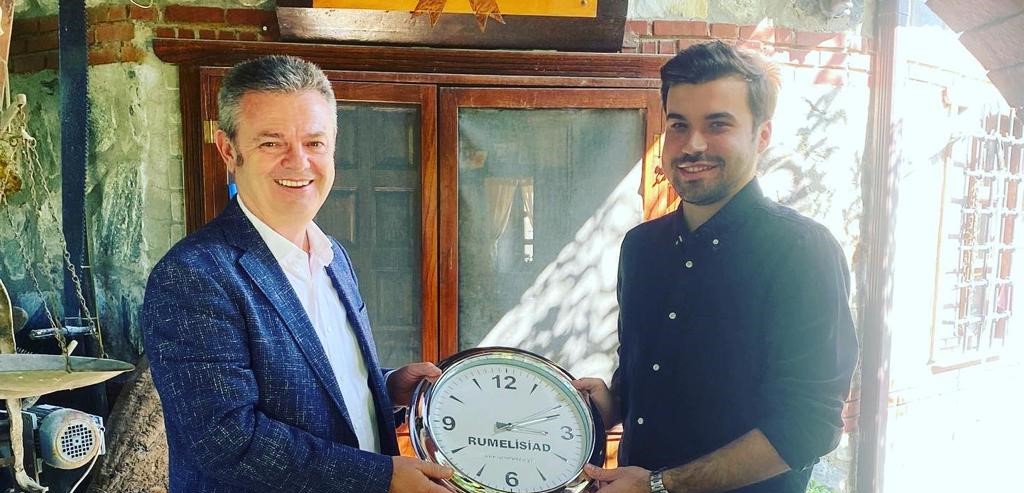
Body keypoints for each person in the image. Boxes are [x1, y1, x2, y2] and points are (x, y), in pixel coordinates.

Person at [141, 55, 452, 493]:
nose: (299, 162)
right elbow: (228, 440)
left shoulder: (333, 256)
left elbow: (317, 381)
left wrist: (386, 387)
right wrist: (381, 477)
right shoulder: (193, 275)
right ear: (228, 150)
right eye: (272, 143)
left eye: (314, 142)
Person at [573, 41, 858, 493]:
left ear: (761, 135)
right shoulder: (641, 247)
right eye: (679, 125)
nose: (693, 145)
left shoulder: (803, 252)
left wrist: (659, 486)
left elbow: (809, 425)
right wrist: (614, 402)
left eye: (717, 124)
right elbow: (644, 369)